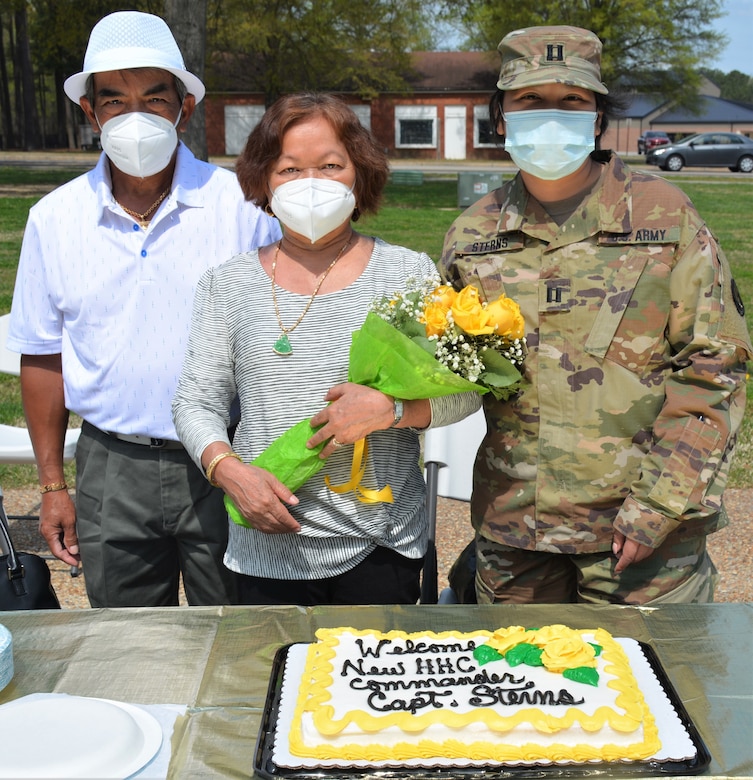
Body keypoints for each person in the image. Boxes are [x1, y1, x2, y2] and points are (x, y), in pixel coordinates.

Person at [440, 25, 752, 605]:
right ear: (501, 117)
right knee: (511, 687)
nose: (551, 116)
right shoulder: (472, 236)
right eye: (531, 100)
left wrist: (661, 503)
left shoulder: (665, 217)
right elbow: (455, 376)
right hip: (515, 537)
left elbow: (716, 368)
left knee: (654, 687)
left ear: (598, 118)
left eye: (573, 101)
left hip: (640, 541)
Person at [6, 11, 281, 607]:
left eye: (154, 98)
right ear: (91, 112)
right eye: (115, 100)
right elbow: (42, 356)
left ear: (183, 106)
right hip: (112, 463)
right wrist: (53, 484)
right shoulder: (53, 220)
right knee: (128, 648)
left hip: (228, 457)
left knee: (236, 637)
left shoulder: (239, 205)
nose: (135, 117)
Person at [172, 93, 480, 606]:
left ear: (360, 177)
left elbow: (464, 395)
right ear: (263, 184)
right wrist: (228, 471)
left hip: (380, 548)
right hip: (265, 546)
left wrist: (396, 410)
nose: (310, 184)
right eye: (289, 168)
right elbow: (194, 402)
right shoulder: (227, 285)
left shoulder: (407, 274)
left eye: (331, 166)